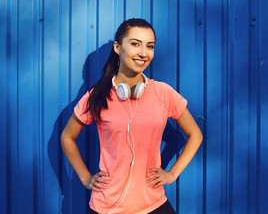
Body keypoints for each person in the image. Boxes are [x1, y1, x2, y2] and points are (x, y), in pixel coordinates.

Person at [61, 18, 203, 214]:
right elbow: (67, 137)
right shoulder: (96, 96)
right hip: (107, 207)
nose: (144, 53)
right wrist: (86, 178)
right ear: (118, 47)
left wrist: (172, 174)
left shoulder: (164, 93)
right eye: (135, 44)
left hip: (153, 204)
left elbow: (195, 134)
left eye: (150, 46)